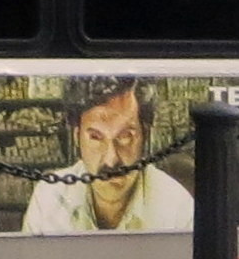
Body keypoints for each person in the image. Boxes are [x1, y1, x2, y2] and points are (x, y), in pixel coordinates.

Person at [20, 77, 195, 233]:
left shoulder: (178, 209)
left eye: (125, 136)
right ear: (76, 137)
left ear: (146, 135)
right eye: (95, 137)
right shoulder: (49, 197)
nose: (111, 160)